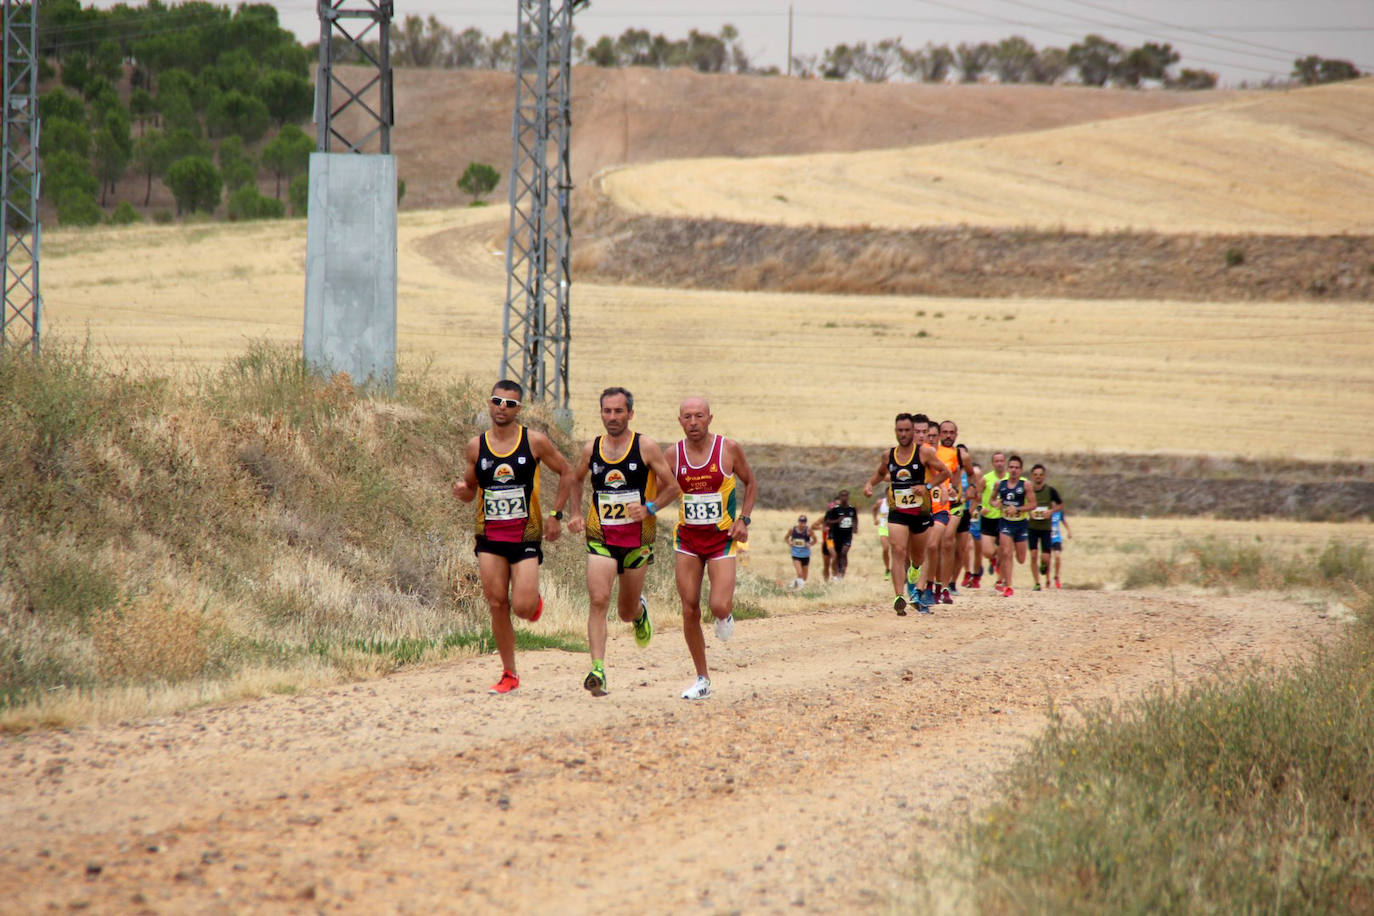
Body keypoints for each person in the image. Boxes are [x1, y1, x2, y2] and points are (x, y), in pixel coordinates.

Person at [453, 380, 575, 694]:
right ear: (489, 404)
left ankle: (532, 602)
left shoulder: (534, 442)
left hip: (526, 536)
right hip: (490, 536)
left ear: (518, 409)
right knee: (496, 603)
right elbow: (469, 490)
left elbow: (567, 471)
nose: (502, 408)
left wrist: (556, 514)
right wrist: (462, 491)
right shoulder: (475, 447)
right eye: (497, 401)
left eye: (509, 403)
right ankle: (509, 673)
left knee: (521, 607)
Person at [565, 387, 680, 697]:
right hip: (601, 536)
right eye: (607, 411)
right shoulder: (592, 449)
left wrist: (649, 508)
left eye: (618, 411)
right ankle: (598, 669)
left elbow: (673, 487)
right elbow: (575, 479)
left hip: (637, 539)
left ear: (630, 413)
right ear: (601, 413)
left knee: (624, 612)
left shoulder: (646, 447)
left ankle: (639, 613)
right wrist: (575, 513)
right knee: (599, 599)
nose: (612, 417)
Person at [669, 396, 758, 700]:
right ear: (679, 421)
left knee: (719, 605)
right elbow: (660, 489)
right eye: (687, 417)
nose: (693, 422)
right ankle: (702, 678)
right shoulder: (673, 455)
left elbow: (751, 483)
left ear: (710, 418)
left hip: (721, 540)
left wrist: (743, 518)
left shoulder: (728, 449)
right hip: (688, 541)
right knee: (689, 606)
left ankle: (724, 616)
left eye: (699, 416)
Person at [864, 412, 950, 616]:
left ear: (913, 432)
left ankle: (915, 570)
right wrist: (869, 484)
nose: (903, 434)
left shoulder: (924, 454)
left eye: (906, 430)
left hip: (920, 512)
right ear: (895, 432)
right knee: (898, 549)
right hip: (898, 511)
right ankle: (899, 596)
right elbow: (879, 473)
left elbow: (945, 473)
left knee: (918, 557)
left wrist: (927, 485)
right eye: (899, 430)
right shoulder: (889, 455)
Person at [991, 454, 1036, 598]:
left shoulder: (1026, 485)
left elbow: (1033, 504)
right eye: (1011, 467)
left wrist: (1018, 509)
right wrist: (995, 504)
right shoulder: (1000, 484)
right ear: (1007, 468)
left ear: (1021, 470)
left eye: (1017, 468)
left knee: (1021, 558)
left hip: (1021, 524)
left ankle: (1004, 574)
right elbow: (992, 500)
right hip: (1005, 522)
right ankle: (1008, 586)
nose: (1014, 470)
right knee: (1006, 552)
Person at [1027, 463, 1064, 592]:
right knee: (1033, 555)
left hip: (1045, 528)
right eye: (1036, 475)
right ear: (1032, 476)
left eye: (1041, 475)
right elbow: (1022, 504)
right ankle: (1037, 583)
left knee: (1045, 558)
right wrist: (1028, 511)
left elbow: (1060, 505)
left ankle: (1044, 565)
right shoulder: (1028, 490)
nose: (1038, 477)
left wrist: (1051, 511)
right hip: (1032, 527)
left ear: (1044, 476)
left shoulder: (1050, 491)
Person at [975, 451, 1007, 590]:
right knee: (987, 552)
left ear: (1004, 462)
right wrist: (980, 508)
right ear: (993, 463)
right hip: (988, 518)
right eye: (996, 461)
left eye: (1001, 461)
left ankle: (1001, 581)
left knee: (1004, 550)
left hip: (1004, 519)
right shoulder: (986, 479)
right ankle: (994, 559)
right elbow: (976, 496)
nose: (999, 463)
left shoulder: (1010, 479)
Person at [824, 490, 859, 579]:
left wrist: (855, 527)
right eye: (842, 496)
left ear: (848, 497)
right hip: (836, 536)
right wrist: (837, 521)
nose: (844, 497)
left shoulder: (852, 509)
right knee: (838, 555)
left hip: (847, 536)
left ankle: (843, 572)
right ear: (840, 497)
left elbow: (855, 518)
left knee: (844, 552)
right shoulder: (835, 509)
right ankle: (837, 572)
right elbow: (828, 521)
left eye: (846, 496)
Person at [785, 515, 815, 588]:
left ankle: (793, 584)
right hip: (796, 554)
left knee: (804, 578)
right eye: (801, 522)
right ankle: (798, 589)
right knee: (800, 574)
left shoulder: (808, 530)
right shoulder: (792, 530)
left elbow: (815, 540)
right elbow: (786, 538)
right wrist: (789, 543)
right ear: (798, 522)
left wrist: (810, 544)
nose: (802, 524)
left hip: (805, 555)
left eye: (804, 522)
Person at [1050, 505, 1073, 588]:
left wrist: (1069, 531)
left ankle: (1056, 576)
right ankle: (1047, 580)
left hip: (1056, 539)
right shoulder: (1044, 511)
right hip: (1045, 537)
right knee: (1046, 559)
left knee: (1057, 556)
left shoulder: (1059, 513)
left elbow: (1064, 522)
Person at [872, 495, 891, 581]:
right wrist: (875, 519)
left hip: (895, 529)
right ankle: (887, 569)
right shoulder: (880, 502)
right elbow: (874, 508)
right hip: (883, 528)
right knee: (885, 548)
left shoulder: (897, 502)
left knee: (898, 551)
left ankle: (900, 570)